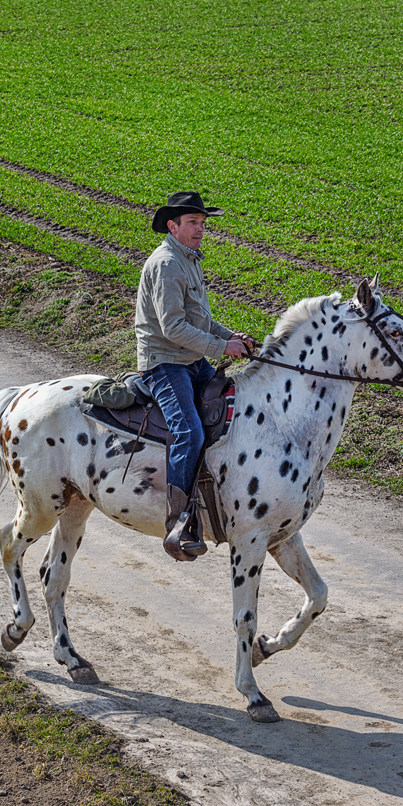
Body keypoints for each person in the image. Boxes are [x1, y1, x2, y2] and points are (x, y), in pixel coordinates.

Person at [136, 191, 258, 561]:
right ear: (173, 226)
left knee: (232, 411)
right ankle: (179, 521)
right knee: (188, 429)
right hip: (165, 362)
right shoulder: (168, 264)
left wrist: (229, 336)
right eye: (193, 223)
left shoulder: (189, 260)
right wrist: (222, 349)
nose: (200, 229)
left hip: (190, 359)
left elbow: (199, 319)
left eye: (203, 223)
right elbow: (173, 327)